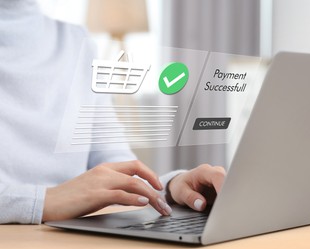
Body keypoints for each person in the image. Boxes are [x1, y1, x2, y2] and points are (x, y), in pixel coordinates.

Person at [0, 0, 225, 224]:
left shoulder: (77, 42)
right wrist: (45, 201)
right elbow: (61, 198)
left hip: (74, 242)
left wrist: (171, 188)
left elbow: (114, 163)